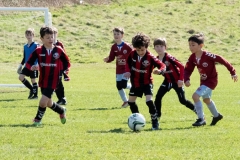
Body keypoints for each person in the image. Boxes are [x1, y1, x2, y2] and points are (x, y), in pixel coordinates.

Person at [184, 33, 238, 126]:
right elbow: (188, 69)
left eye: (193, 45)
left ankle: (201, 119)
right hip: (204, 82)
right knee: (206, 100)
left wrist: (232, 72)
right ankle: (217, 116)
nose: (190, 47)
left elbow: (222, 60)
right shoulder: (192, 57)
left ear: (201, 46)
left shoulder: (208, 55)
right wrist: (186, 79)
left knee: (195, 96)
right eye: (189, 45)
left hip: (211, 81)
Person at [23, 26, 71, 126]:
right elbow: (29, 62)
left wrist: (65, 72)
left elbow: (66, 62)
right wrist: (30, 67)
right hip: (43, 79)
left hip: (54, 80)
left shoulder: (58, 50)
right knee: (48, 102)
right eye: (48, 37)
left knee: (42, 101)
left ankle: (37, 120)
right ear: (42, 39)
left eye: (52, 37)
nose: (51, 39)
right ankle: (61, 110)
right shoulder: (38, 51)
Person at [124, 33, 166, 130]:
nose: (140, 52)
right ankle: (137, 119)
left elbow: (162, 65)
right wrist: (127, 71)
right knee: (131, 102)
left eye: (142, 50)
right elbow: (127, 63)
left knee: (149, 101)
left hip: (147, 83)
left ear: (146, 47)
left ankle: (155, 122)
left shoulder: (150, 57)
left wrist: (160, 71)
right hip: (135, 82)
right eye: (138, 50)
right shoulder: (132, 54)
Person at [152, 38, 196, 120]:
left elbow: (181, 66)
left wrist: (180, 79)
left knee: (182, 100)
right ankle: (157, 116)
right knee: (158, 97)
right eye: (157, 46)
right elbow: (155, 68)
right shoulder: (156, 59)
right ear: (154, 48)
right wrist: (157, 72)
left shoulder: (169, 57)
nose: (159, 48)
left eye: (161, 46)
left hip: (176, 81)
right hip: (167, 81)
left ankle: (196, 110)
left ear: (165, 47)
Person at [103, 27, 133, 108]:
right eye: (114, 34)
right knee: (118, 86)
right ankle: (125, 101)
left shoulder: (127, 46)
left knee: (123, 84)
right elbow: (112, 57)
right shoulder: (114, 47)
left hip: (127, 69)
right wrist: (107, 59)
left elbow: (134, 54)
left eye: (118, 34)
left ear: (122, 35)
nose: (116, 36)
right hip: (119, 69)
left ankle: (134, 87)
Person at [17, 28, 39, 99]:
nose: (29, 36)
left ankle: (35, 96)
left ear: (33, 35)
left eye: (30, 35)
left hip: (33, 66)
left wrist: (37, 64)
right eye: (27, 35)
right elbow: (25, 56)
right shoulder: (25, 46)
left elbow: (39, 55)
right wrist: (21, 65)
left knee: (33, 80)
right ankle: (32, 89)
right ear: (25, 36)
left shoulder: (36, 45)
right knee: (21, 77)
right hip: (27, 65)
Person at [52, 26, 69, 105]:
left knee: (58, 82)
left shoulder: (59, 44)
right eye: (52, 33)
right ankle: (60, 98)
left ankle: (62, 98)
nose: (53, 35)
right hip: (52, 67)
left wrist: (65, 68)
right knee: (54, 83)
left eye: (54, 33)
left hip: (59, 67)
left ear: (57, 34)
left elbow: (64, 55)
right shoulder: (49, 44)